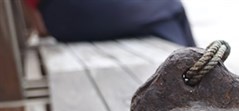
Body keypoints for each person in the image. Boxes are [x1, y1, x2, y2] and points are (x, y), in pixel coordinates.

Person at [22, 0, 196, 47]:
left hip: (62, 18)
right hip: (70, 11)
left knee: (166, 11)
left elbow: (41, 28)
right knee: (169, 7)